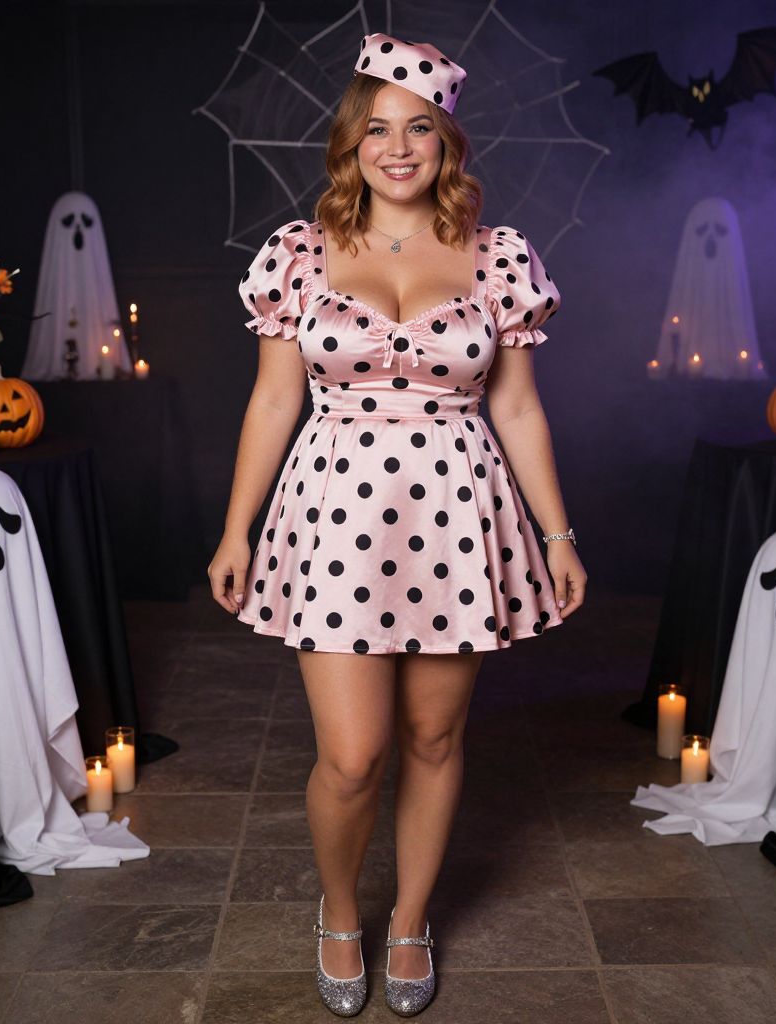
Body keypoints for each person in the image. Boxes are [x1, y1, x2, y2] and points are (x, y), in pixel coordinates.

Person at [208, 32, 587, 1018]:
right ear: (351, 141)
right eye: (377, 129)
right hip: (336, 517)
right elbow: (272, 401)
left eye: (419, 128)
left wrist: (556, 536)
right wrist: (237, 529)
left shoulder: (500, 256)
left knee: (432, 734)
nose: (398, 148)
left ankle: (411, 919)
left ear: (447, 142)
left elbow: (516, 409)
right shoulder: (298, 252)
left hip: (457, 514)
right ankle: (340, 912)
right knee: (352, 755)